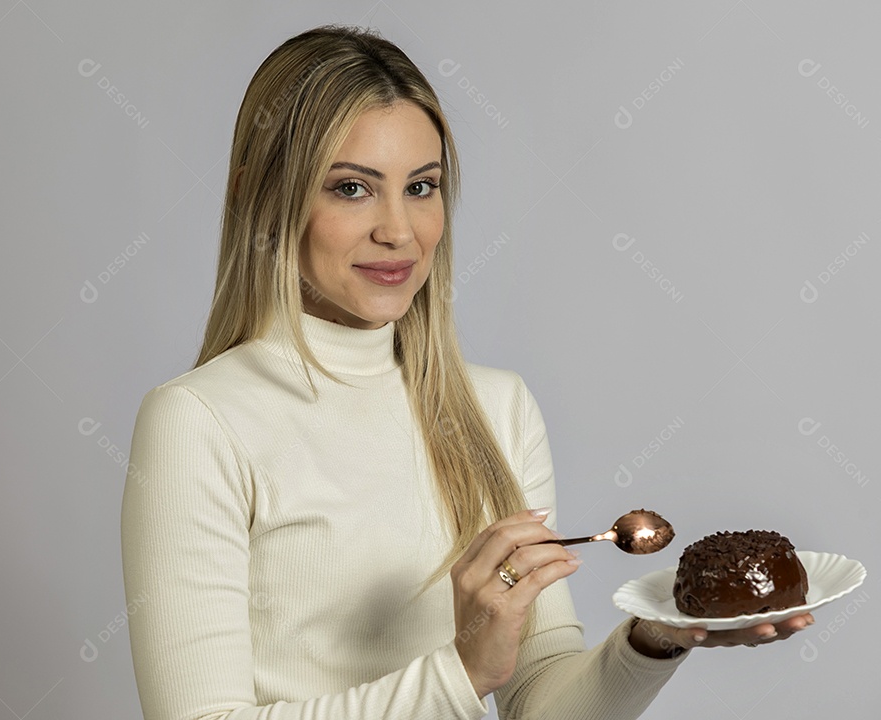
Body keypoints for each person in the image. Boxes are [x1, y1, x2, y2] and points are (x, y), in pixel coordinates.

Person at [120, 24, 814, 720]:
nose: (400, 231)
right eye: (352, 187)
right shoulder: (197, 422)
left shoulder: (499, 408)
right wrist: (458, 671)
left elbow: (539, 702)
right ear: (258, 199)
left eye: (421, 186)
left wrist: (658, 635)